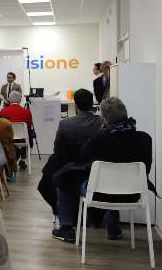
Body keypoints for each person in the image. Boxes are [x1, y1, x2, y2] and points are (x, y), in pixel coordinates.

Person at [52, 97, 152, 243]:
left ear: (104, 118)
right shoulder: (145, 139)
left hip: (100, 194)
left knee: (64, 178)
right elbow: (147, 168)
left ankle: (66, 228)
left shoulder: (99, 139)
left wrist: (101, 132)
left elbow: (83, 156)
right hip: (133, 194)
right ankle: (113, 228)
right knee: (115, 182)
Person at [38, 88, 103, 214]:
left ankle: (64, 215)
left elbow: (57, 148)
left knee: (51, 170)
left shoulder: (65, 124)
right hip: (95, 170)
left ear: (76, 105)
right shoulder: (101, 123)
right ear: (92, 104)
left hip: (69, 170)